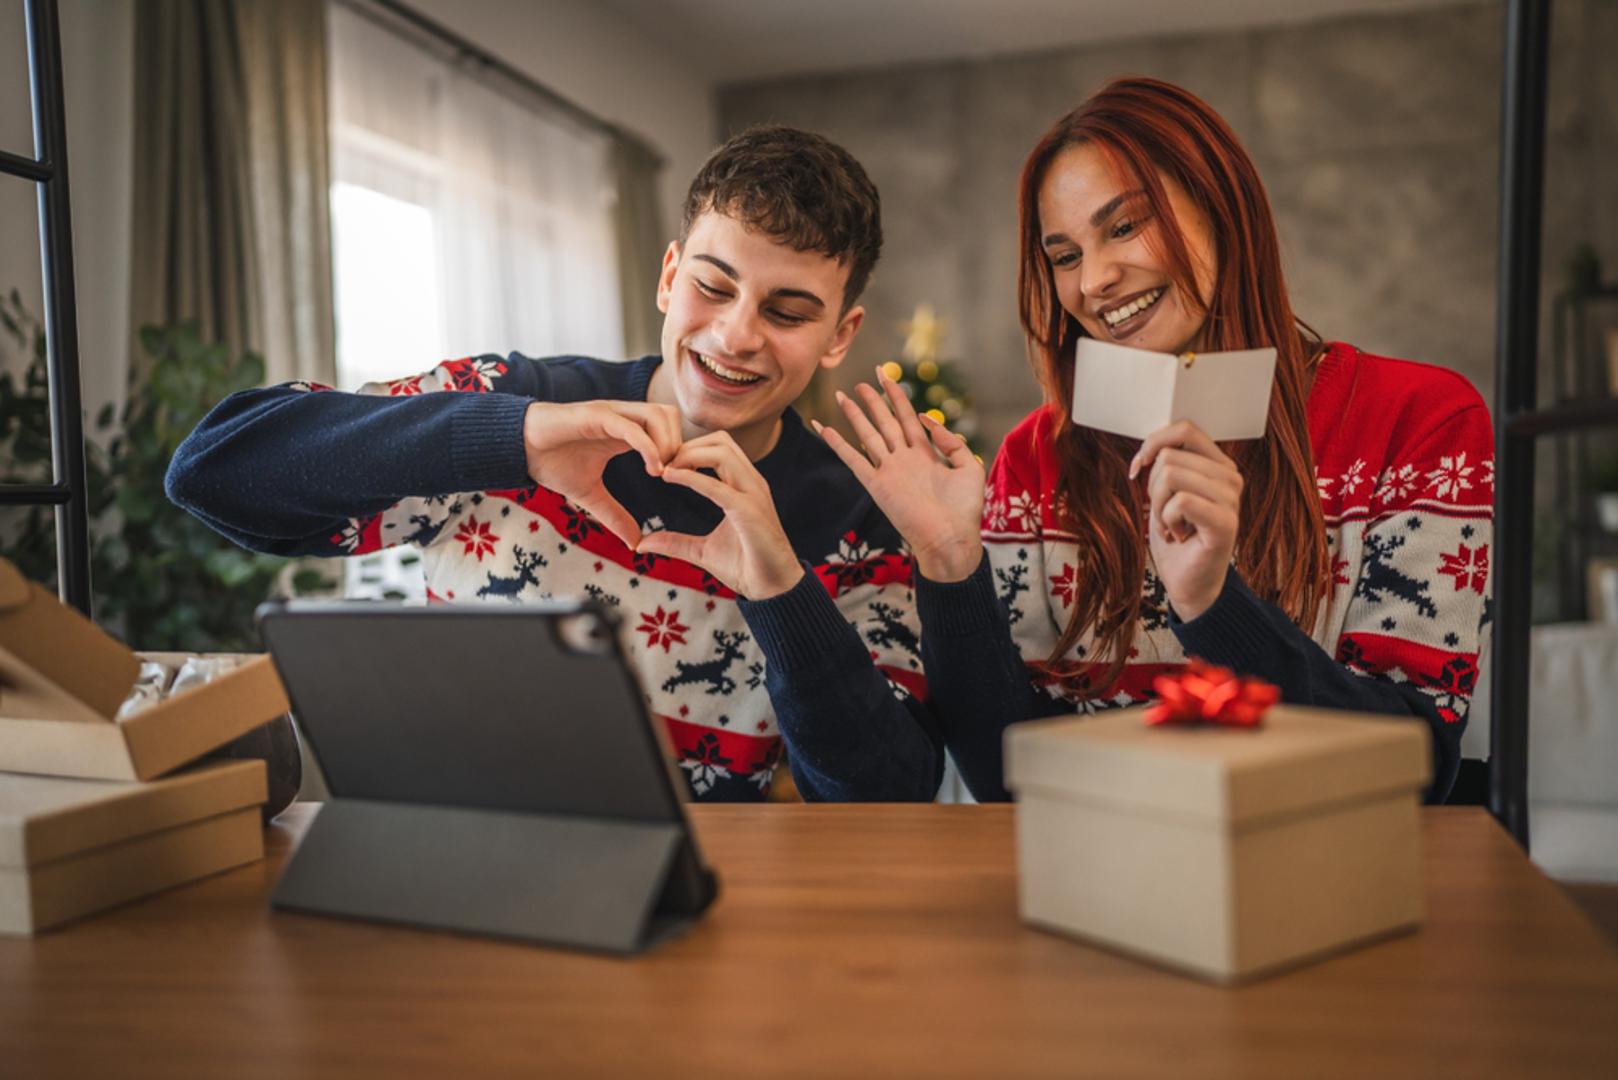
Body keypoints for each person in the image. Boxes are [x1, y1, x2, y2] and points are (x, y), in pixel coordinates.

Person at [167, 127, 943, 803]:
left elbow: (889, 792)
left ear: (840, 336)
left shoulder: (861, 517)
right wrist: (516, 439)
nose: (737, 336)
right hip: (446, 866)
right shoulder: (513, 400)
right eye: (713, 286)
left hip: (694, 916)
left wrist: (784, 595)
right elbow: (212, 468)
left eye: (787, 312)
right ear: (671, 276)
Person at [819, 77, 1492, 802]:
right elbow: (1005, 782)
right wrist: (950, 566)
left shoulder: (1419, 419)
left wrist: (1212, 607)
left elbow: (1414, 768)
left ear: (1223, 209)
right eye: (1065, 255)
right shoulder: (1031, 460)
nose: (1096, 281)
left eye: (1125, 226)